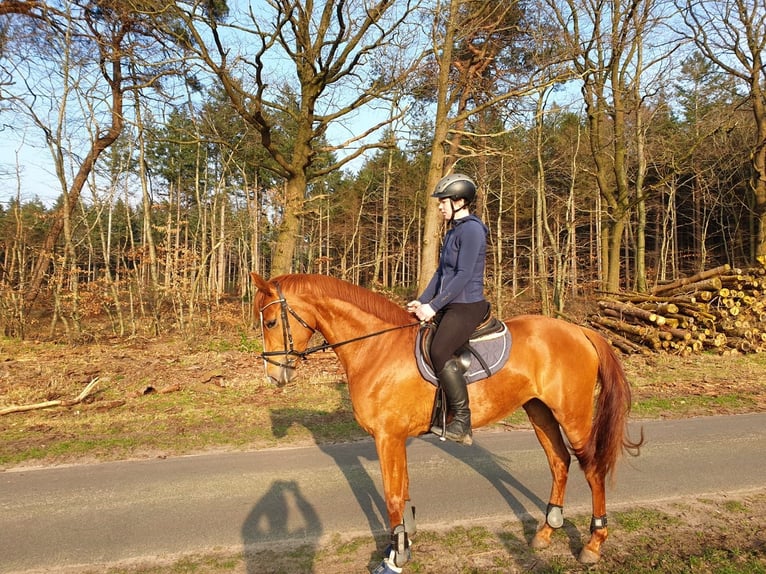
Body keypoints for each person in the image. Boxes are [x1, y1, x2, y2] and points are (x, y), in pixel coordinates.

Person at [407, 173, 489, 444]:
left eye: (443, 202)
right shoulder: (453, 231)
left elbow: (464, 274)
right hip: (450, 303)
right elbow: (442, 272)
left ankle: (463, 421)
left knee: (440, 349)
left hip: (467, 306)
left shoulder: (473, 230)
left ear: (460, 201)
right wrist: (423, 300)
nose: (440, 206)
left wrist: (434, 306)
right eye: (440, 202)